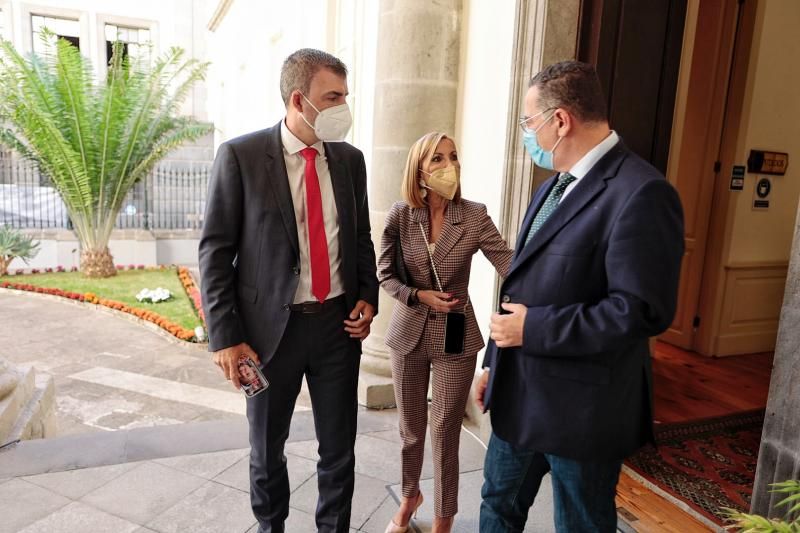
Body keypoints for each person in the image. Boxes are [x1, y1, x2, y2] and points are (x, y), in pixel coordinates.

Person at [474, 61, 684, 532]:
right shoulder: (550, 187)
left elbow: (640, 310)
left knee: (581, 525)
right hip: (517, 394)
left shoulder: (643, 193)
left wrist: (533, 328)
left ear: (561, 120)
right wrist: (493, 363)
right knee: (497, 508)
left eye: (529, 123)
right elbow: (521, 286)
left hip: (581, 413)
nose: (527, 134)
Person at [199, 48, 379, 533]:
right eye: (334, 96)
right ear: (300, 100)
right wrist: (225, 337)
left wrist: (367, 295)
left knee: (339, 449)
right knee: (266, 448)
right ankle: (270, 526)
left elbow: (359, 235)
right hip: (268, 334)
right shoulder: (241, 157)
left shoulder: (349, 160)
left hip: (337, 329)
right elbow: (215, 251)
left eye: (345, 94)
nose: (344, 105)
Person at [378, 132, 513, 533]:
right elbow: (385, 274)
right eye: (437, 158)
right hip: (408, 334)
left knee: (444, 429)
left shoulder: (473, 215)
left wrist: (549, 287)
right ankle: (409, 495)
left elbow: (509, 262)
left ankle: (443, 519)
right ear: (419, 168)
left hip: (456, 331)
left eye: (453, 156)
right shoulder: (401, 216)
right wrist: (418, 295)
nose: (448, 165)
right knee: (411, 429)